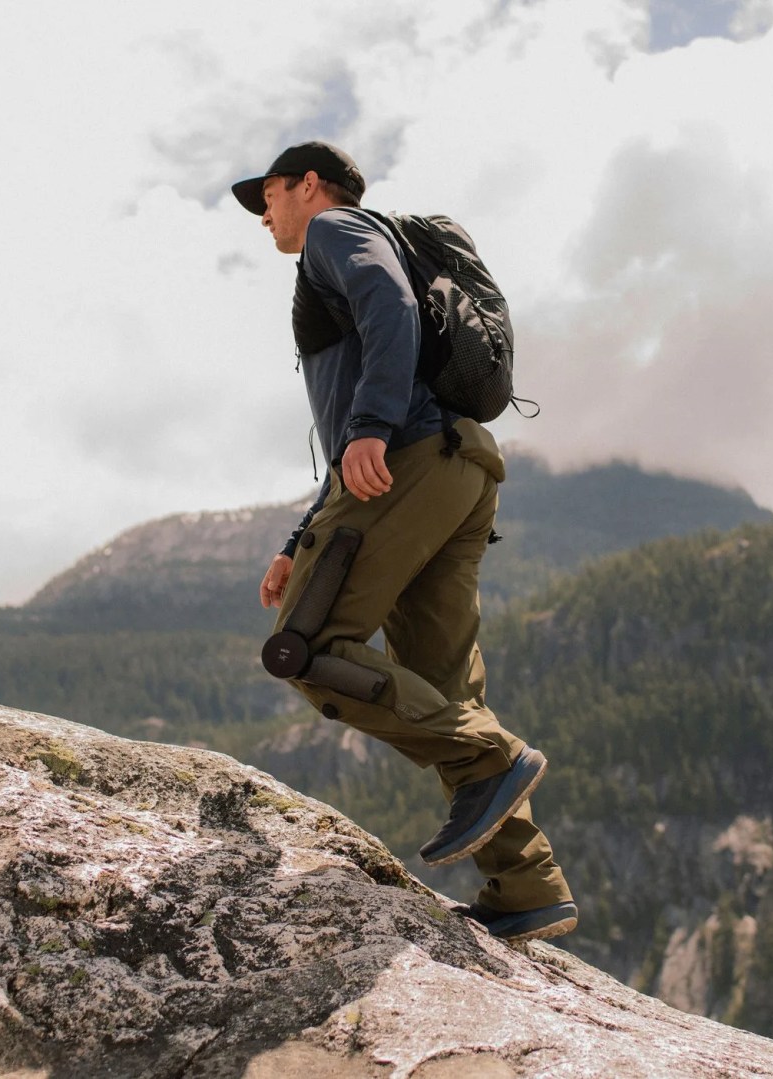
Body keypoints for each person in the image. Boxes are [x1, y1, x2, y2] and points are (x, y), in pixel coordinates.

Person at [229, 141, 576, 942]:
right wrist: (299, 538)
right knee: (441, 688)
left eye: (270, 195)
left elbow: (390, 307)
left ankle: (494, 757)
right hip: (458, 467)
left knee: (304, 645)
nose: (266, 214)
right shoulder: (376, 236)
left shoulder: (336, 233)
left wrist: (377, 426)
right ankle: (527, 885)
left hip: (407, 457)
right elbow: (357, 401)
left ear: (309, 185)